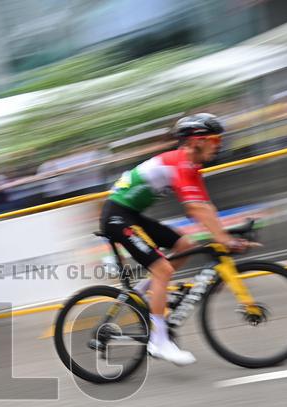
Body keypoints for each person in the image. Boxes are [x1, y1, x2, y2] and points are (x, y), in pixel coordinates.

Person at [102, 112, 248, 365]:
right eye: (214, 139)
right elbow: (193, 209)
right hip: (117, 216)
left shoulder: (191, 167)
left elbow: (205, 207)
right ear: (195, 141)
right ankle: (159, 343)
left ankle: (147, 293)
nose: (219, 144)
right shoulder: (180, 162)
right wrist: (223, 238)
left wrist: (226, 235)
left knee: (185, 244)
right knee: (163, 270)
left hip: (130, 214)